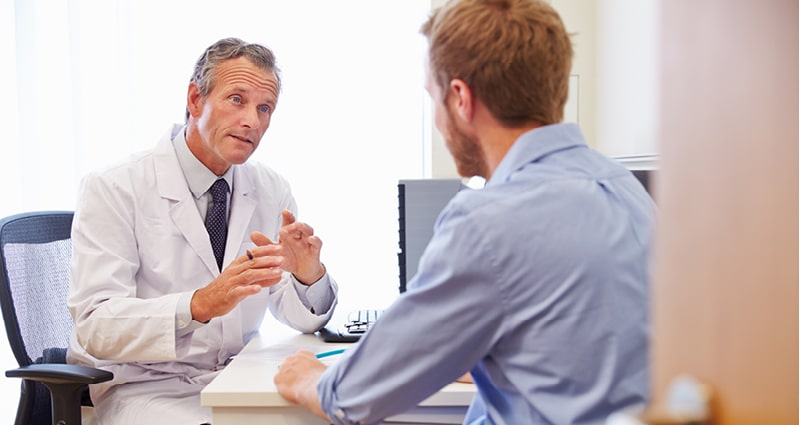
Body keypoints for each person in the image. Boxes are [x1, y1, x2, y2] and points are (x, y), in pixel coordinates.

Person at [274, 0, 655, 424]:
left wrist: (308, 377)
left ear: (460, 98)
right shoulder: (630, 194)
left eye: (432, 98)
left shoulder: (488, 222)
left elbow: (355, 396)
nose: (436, 121)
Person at [66, 37, 338, 425]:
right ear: (196, 99)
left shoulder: (270, 188)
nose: (253, 121)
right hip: (144, 388)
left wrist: (308, 275)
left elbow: (297, 313)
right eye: (237, 100)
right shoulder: (114, 186)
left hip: (235, 379)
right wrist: (199, 305)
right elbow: (96, 325)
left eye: (265, 108)